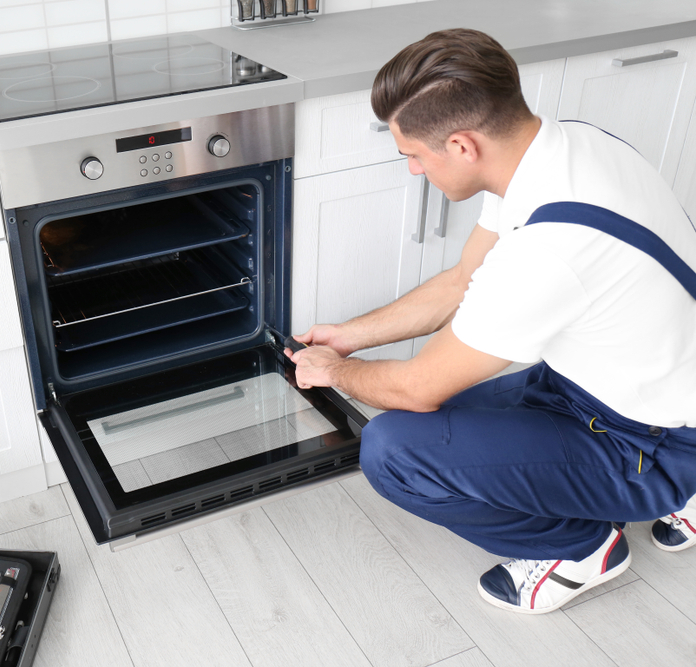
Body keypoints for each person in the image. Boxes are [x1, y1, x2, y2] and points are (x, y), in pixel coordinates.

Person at [284, 28, 696, 614]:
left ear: (461, 145)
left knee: (394, 451)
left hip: (655, 439)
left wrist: (334, 373)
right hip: (605, 386)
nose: (412, 172)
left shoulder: (552, 248)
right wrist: (350, 337)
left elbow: (416, 388)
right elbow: (461, 282)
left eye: (413, 156)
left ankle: (581, 549)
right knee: (448, 426)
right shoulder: (559, 149)